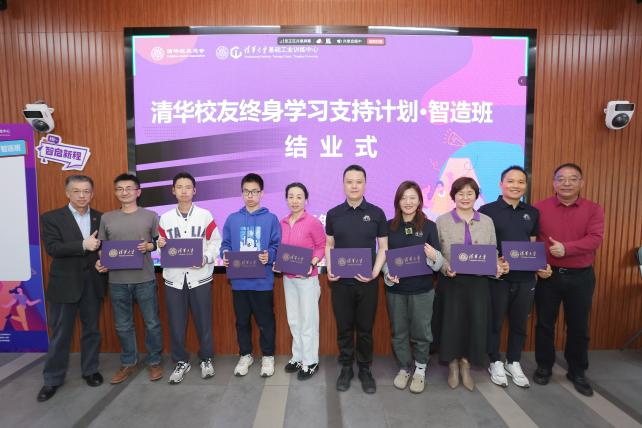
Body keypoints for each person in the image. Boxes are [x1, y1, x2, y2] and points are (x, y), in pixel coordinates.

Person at [533, 163, 604, 397]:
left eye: (573, 179)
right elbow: (532, 239)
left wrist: (567, 248)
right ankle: (544, 366)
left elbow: (595, 239)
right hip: (548, 275)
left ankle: (577, 371)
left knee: (578, 326)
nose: (566, 183)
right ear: (553, 183)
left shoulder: (593, 209)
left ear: (581, 183)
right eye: (561, 178)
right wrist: (537, 265)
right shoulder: (539, 208)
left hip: (581, 277)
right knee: (545, 324)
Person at [479, 166, 552, 388]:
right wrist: (495, 262)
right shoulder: (486, 210)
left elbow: (532, 244)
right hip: (498, 277)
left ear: (525, 186)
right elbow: (481, 243)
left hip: (526, 278)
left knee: (520, 323)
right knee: (495, 321)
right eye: (511, 181)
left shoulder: (532, 212)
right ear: (501, 184)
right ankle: (494, 361)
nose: (516, 185)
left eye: (521, 182)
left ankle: (513, 361)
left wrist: (540, 266)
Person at [37, 175, 106, 402]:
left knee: (92, 331)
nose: (82, 195)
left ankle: (90, 370)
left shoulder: (100, 218)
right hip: (64, 285)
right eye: (77, 191)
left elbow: (105, 248)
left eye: (86, 191)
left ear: (92, 194)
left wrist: (103, 261)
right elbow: (53, 248)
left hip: (93, 283)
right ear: (67, 193)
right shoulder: (51, 218)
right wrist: (82, 244)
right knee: (60, 335)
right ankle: (52, 379)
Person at [436, 177, 504, 391]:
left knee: (474, 324)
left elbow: (493, 250)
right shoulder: (442, 221)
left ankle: (466, 364)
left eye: (469, 193)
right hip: (452, 281)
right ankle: (452, 365)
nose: (465, 198)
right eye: (460, 193)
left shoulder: (487, 221)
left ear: (476, 196)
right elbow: (436, 254)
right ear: (453, 196)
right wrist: (445, 267)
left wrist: (497, 266)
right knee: (452, 324)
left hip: (478, 283)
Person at [325, 164, 388, 394]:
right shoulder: (333, 214)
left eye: (358, 182)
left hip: (367, 283)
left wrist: (374, 272)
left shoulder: (377, 213)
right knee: (344, 328)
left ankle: (364, 368)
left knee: (365, 329)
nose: (354, 186)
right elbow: (329, 245)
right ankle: (346, 368)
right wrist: (330, 268)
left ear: (365, 184)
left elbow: (383, 247)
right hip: (341, 284)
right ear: (343, 185)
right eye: (349, 182)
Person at [96, 173, 163, 384]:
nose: (124, 192)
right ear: (115, 192)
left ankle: (154, 362)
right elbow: (103, 248)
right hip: (117, 281)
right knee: (123, 325)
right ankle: (128, 362)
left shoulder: (151, 216)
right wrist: (101, 261)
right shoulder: (107, 218)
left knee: (152, 324)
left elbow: (160, 243)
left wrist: (149, 246)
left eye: (129, 188)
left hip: (145, 279)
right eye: (119, 189)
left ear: (138, 192)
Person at [157, 172, 222, 384]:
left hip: (200, 277)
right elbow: (160, 247)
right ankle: (181, 361)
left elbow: (216, 242)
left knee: (204, 322)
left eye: (187, 187)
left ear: (194, 191)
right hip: (174, 279)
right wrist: (159, 245)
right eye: (179, 187)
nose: (183, 191)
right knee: (176, 323)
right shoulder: (165, 218)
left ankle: (206, 358)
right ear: (173, 190)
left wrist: (206, 257)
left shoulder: (205, 215)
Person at [382, 181, 443, 394]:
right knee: (398, 332)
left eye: (412, 198)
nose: (408, 202)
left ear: (419, 201)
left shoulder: (430, 226)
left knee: (421, 332)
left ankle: (420, 369)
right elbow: (383, 258)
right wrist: (387, 274)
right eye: (403, 198)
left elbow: (439, 262)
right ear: (397, 201)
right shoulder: (388, 227)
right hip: (396, 291)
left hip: (423, 290)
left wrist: (434, 256)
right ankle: (404, 367)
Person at [220, 173, 281, 377]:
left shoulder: (271, 219)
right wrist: (225, 255)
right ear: (242, 193)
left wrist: (269, 255)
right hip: (239, 282)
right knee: (242, 321)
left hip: (263, 282)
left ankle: (268, 356)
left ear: (262, 193)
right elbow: (225, 244)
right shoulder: (233, 219)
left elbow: (277, 246)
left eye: (254, 192)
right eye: (246, 192)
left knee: (266, 322)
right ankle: (245, 355)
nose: (250, 196)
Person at [276, 182, 326, 380]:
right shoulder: (282, 222)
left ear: (306, 200)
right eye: (291, 196)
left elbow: (321, 246)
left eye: (299, 197)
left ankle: (310, 361)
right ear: (286, 199)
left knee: (308, 322)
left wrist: (311, 263)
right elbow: (280, 250)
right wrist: (276, 262)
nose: (294, 201)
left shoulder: (312, 222)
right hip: (288, 278)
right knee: (294, 320)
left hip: (307, 280)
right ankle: (298, 356)